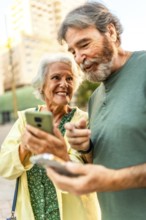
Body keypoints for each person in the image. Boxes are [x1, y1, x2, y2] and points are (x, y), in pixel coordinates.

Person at [45, 2, 146, 220]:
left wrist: (114, 180)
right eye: (73, 51)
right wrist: (85, 147)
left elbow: (109, 177)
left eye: (84, 45)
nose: (79, 58)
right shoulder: (94, 98)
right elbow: (100, 163)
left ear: (110, 31)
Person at [0, 53, 100, 220]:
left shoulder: (84, 121)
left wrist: (63, 154)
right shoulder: (25, 120)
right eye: (56, 77)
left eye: (69, 78)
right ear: (41, 85)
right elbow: (4, 167)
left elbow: (95, 173)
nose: (64, 84)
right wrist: (23, 148)